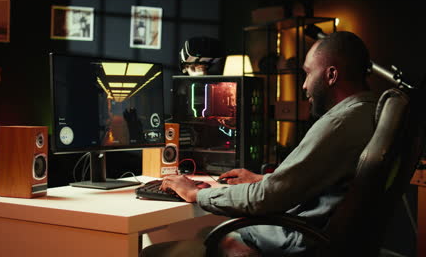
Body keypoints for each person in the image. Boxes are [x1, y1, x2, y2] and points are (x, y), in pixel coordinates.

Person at [141, 30, 378, 256]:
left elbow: (266, 198)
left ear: (331, 75)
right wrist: (264, 180)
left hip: (301, 242)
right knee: (208, 232)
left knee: (181, 244)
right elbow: (320, 182)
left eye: (307, 73)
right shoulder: (370, 114)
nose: (304, 85)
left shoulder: (338, 123)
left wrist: (195, 194)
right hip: (331, 239)